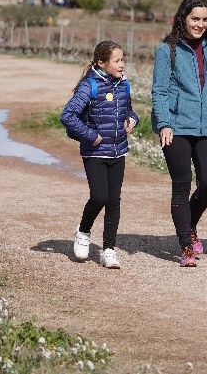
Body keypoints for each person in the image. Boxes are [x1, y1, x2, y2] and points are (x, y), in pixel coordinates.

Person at [151, 0, 207, 267]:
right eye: (195, 18)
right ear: (184, 18)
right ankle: (185, 246)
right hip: (177, 127)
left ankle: (189, 225)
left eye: (204, 19)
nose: (200, 24)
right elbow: (159, 91)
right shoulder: (167, 49)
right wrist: (164, 123)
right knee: (181, 187)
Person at [61, 40, 138, 269]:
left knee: (114, 201)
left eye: (123, 59)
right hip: (95, 152)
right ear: (102, 63)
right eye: (117, 60)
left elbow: (129, 110)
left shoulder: (123, 84)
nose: (122, 64)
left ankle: (108, 250)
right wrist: (91, 136)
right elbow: (68, 116)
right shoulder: (90, 85)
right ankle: (83, 231)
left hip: (118, 150)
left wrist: (133, 119)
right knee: (99, 197)